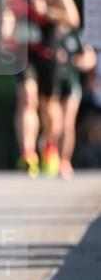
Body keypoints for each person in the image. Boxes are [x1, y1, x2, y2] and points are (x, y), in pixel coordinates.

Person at [3, 0, 80, 177]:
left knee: (49, 106)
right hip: (25, 54)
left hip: (50, 53)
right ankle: (27, 153)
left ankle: (50, 145)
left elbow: (73, 19)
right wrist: (5, 35)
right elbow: (7, 17)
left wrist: (47, 10)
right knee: (27, 98)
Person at [56, 27, 96, 179]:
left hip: (72, 83)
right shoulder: (44, 28)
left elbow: (90, 58)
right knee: (55, 124)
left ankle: (64, 161)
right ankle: (50, 153)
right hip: (51, 84)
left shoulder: (76, 34)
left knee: (67, 123)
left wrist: (76, 60)